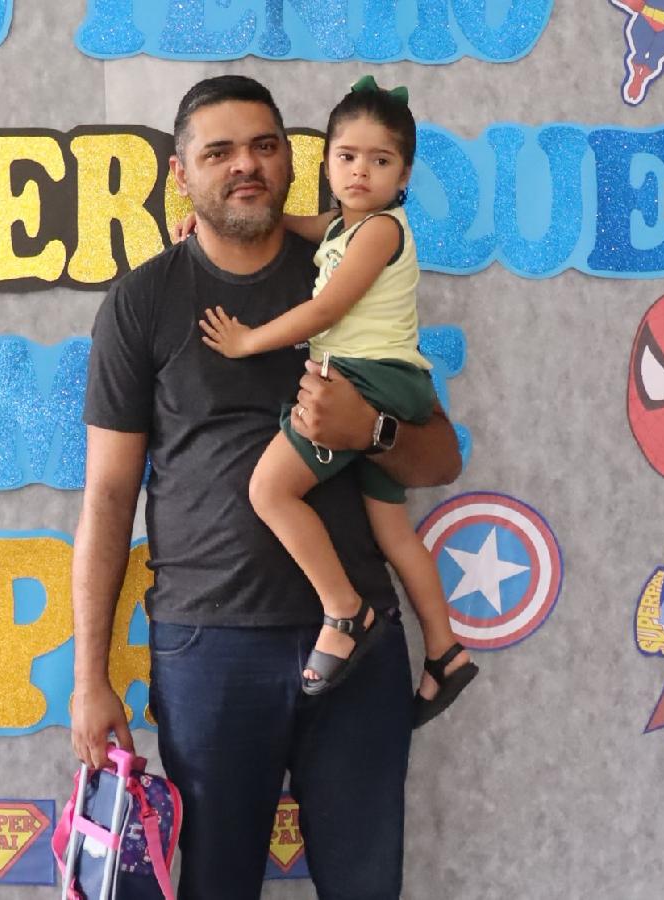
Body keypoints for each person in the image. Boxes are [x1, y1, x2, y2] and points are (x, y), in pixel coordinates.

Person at [70, 75, 463, 899]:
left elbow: (440, 460)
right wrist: (89, 676)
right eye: (219, 152)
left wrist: (370, 431)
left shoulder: (349, 268)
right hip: (209, 646)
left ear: (293, 161)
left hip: (359, 646)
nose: (245, 165)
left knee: (366, 888)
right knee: (216, 884)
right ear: (182, 174)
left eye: (264, 146)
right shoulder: (143, 302)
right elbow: (108, 496)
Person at [187, 76, 477, 721]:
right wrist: (208, 217)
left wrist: (248, 340)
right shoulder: (345, 226)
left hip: (366, 380)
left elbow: (326, 309)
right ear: (326, 163)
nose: (360, 171)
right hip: (393, 378)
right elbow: (300, 224)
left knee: (270, 491)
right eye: (347, 157)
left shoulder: (378, 233)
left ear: (404, 175)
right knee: (393, 531)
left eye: (380, 160)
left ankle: (344, 610)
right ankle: (446, 652)